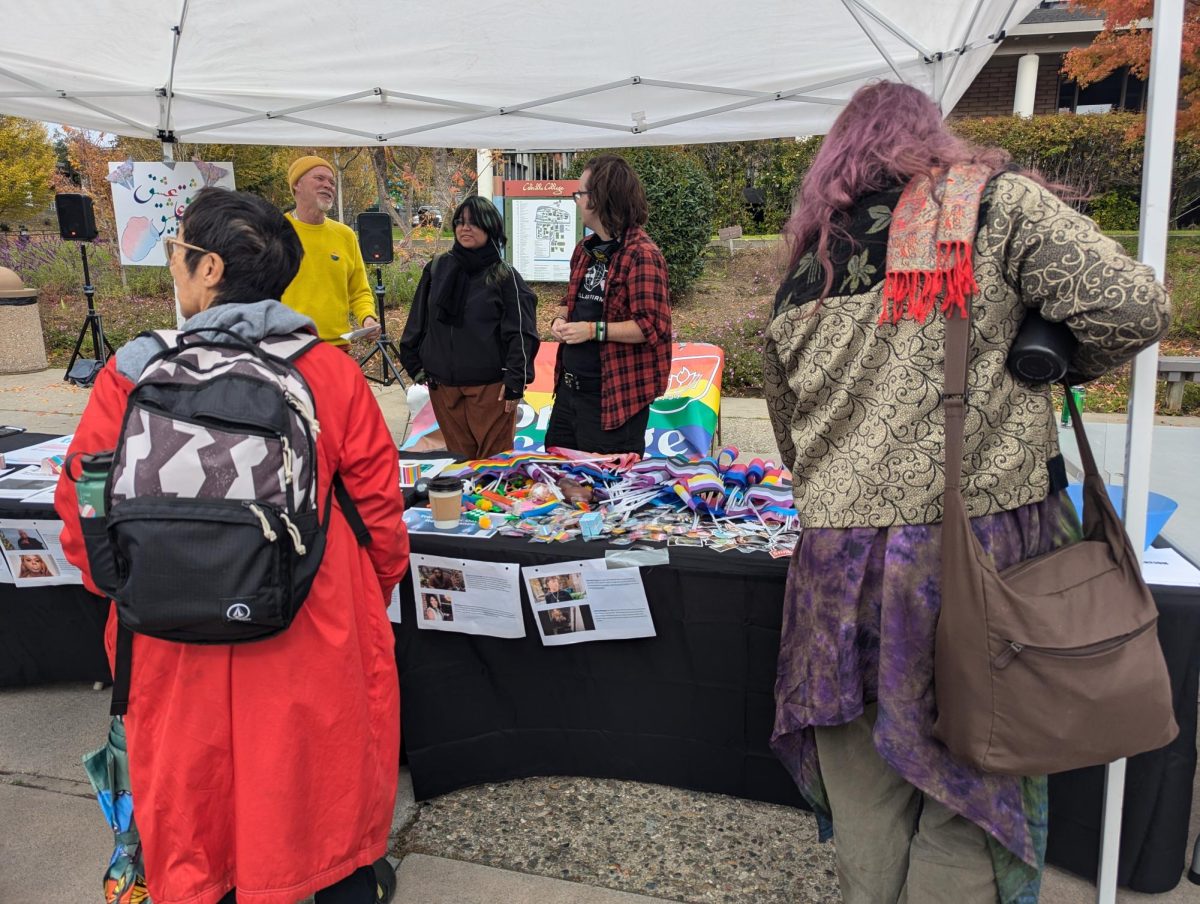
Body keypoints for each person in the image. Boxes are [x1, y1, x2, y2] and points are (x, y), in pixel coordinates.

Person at [764, 81, 1170, 904]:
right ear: (931, 139)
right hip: (971, 563)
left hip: (836, 576)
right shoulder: (998, 208)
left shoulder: (809, 265)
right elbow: (1134, 305)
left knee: (867, 795)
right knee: (973, 799)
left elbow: (788, 433)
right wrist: (1042, 356)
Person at [55, 188, 409, 904]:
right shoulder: (330, 373)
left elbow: (82, 516)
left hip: (169, 644)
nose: (173, 268)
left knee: (194, 829)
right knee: (321, 824)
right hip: (311, 630)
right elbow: (379, 523)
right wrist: (354, 612)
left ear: (210, 268)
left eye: (180, 252)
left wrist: (142, 590)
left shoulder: (131, 373)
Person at [545, 154, 671, 454]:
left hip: (614, 398)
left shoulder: (642, 254)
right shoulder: (585, 250)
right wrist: (560, 320)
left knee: (607, 490)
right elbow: (572, 300)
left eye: (580, 194)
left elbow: (650, 325)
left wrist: (591, 330)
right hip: (569, 392)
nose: (576, 201)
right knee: (559, 480)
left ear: (600, 198)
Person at [399, 195, 538, 460]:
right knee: (459, 462)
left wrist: (515, 380)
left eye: (474, 223)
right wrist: (416, 367)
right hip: (444, 389)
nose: (465, 228)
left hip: (489, 390)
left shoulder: (504, 276)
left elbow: (521, 332)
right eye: (460, 222)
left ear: (491, 228)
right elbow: (418, 321)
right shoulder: (437, 268)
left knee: (492, 464)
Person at [280, 155, 380, 348]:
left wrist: (367, 318)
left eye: (332, 182)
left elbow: (359, 291)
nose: (328, 185)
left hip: (337, 348)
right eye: (319, 178)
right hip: (287, 347)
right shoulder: (274, 231)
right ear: (297, 185)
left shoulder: (345, 235)